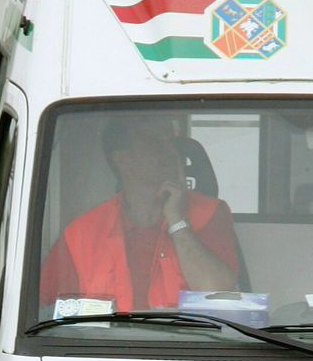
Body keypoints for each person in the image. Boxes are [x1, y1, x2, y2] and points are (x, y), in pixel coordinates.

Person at [40, 118, 241, 311]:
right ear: (122, 160)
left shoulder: (209, 213)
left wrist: (177, 221)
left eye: (169, 141)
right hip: (104, 346)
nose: (169, 150)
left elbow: (221, 298)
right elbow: (45, 315)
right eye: (153, 142)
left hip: (189, 346)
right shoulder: (81, 234)